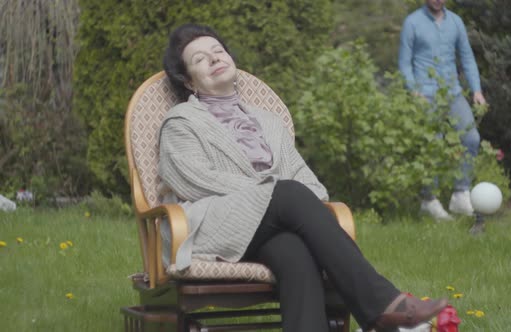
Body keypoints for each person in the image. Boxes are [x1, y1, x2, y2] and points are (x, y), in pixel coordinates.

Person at [158, 23, 448, 332]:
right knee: (287, 194)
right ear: (189, 82)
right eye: (200, 59)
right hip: (211, 225)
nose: (215, 59)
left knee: (293, 252)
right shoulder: (181, 122)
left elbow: (310, 185)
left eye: (218, 51)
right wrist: (270, 192)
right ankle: (382, 306)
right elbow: (194, 180)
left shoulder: (269, 122)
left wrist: (277, 198)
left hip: (270, 226)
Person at [398, 0, 486, 221]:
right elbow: (404, 63)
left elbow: (467, 58)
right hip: (425, 94)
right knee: (432, 142)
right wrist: (414, 91)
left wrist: (476, 90)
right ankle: (428, 201)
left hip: (452, 92)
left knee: (471, 138)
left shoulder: (456, 22)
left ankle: (460, 194)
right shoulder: (412, 23)